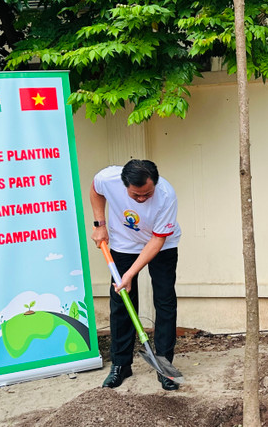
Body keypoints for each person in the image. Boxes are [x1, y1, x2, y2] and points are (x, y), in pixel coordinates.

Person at [90, 159, 182, 390]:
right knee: (121, 301)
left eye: (146, 194)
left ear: (156, 183)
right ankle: (121, 364)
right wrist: (99, 223)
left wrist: (130, 273)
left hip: (162, 245)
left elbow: (157, 240)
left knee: (164, 301)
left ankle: (164, 365)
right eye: (135, 195)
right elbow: (95, 189)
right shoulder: (108, 178)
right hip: (123, 244)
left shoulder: (166, 195)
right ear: (124, 185)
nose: (141, 199)